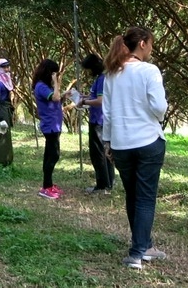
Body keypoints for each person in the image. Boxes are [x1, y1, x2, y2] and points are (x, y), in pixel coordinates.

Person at [102, 26, 168, 270]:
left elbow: (107, 113)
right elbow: (159, 108)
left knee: (133, 195)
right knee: (146, 198)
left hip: (121, 144)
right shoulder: (149, 70)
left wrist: (107, 142)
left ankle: (146, 245)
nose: (151, 49)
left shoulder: (111, 74)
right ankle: (137, 252)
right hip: (148, 141)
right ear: (142, 43)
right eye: (151, 43)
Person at [32, 57, 74, 199]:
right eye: (54, 73)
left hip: (54, 124)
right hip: (50, 126)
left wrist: (64, 96)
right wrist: (56, 83)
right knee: (53, 155)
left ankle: (48, 184)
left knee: (49, 155)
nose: (56, 76)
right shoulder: (41, 86)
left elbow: (55, 99)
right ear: (49, 73)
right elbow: (54, 98)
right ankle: (46, 187)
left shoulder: (45, 86)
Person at [75, 52, 114, 194]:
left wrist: (84, 101)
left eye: (89, 69)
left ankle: (103, 185)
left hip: (99, 121)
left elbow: (100, 101)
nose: (88, 73)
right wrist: (83, 97)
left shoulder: (103, 79)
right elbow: (95, 96)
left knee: (98, 153)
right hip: (96, 119)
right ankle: (108, 182)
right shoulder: (99, 78)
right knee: (104, 152)